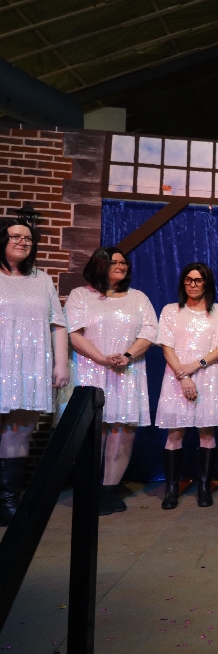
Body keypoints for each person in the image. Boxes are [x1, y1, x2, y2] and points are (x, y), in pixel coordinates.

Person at [64, 247, 158, 515]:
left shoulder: (138, 298)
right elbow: (74, 334)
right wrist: (102, 358)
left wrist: (127, 355)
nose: (121, 266)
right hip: (92, 369)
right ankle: (89, 489)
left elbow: (150, 332)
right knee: (96, 430)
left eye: (124, 262)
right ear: (99, 265)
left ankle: (110, 490)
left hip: (127, 371)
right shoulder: (81, 295)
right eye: (114, 262)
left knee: (123, 431)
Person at [0, 218, 69, 526]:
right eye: (15, 236)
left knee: (19, 431)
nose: (23, 242)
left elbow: (58, 324)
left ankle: (8, 500)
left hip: (30, 365)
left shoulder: (42, 279)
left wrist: (60, 363)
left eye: (28, 238)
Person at [154, 263, 218, 509]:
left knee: (207, 432)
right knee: (175, 433)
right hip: (177, 376)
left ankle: (204, 487)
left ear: (206, 283)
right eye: (188, 280)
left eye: (198, 280)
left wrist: (196, 365)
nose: (193, 284)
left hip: (209, 375)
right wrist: (183, 375)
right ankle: (172, 489)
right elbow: (166, 346)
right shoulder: (170, 310)